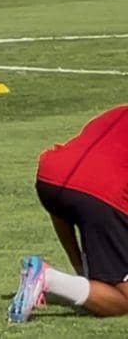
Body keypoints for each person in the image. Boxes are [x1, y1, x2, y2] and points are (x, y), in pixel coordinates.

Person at [8, 105, 128, 322]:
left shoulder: (117, 112)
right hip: (99, 192)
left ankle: (81, 272)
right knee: (123, 300)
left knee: (70, 196)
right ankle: (47, 278)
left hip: (50, 177)